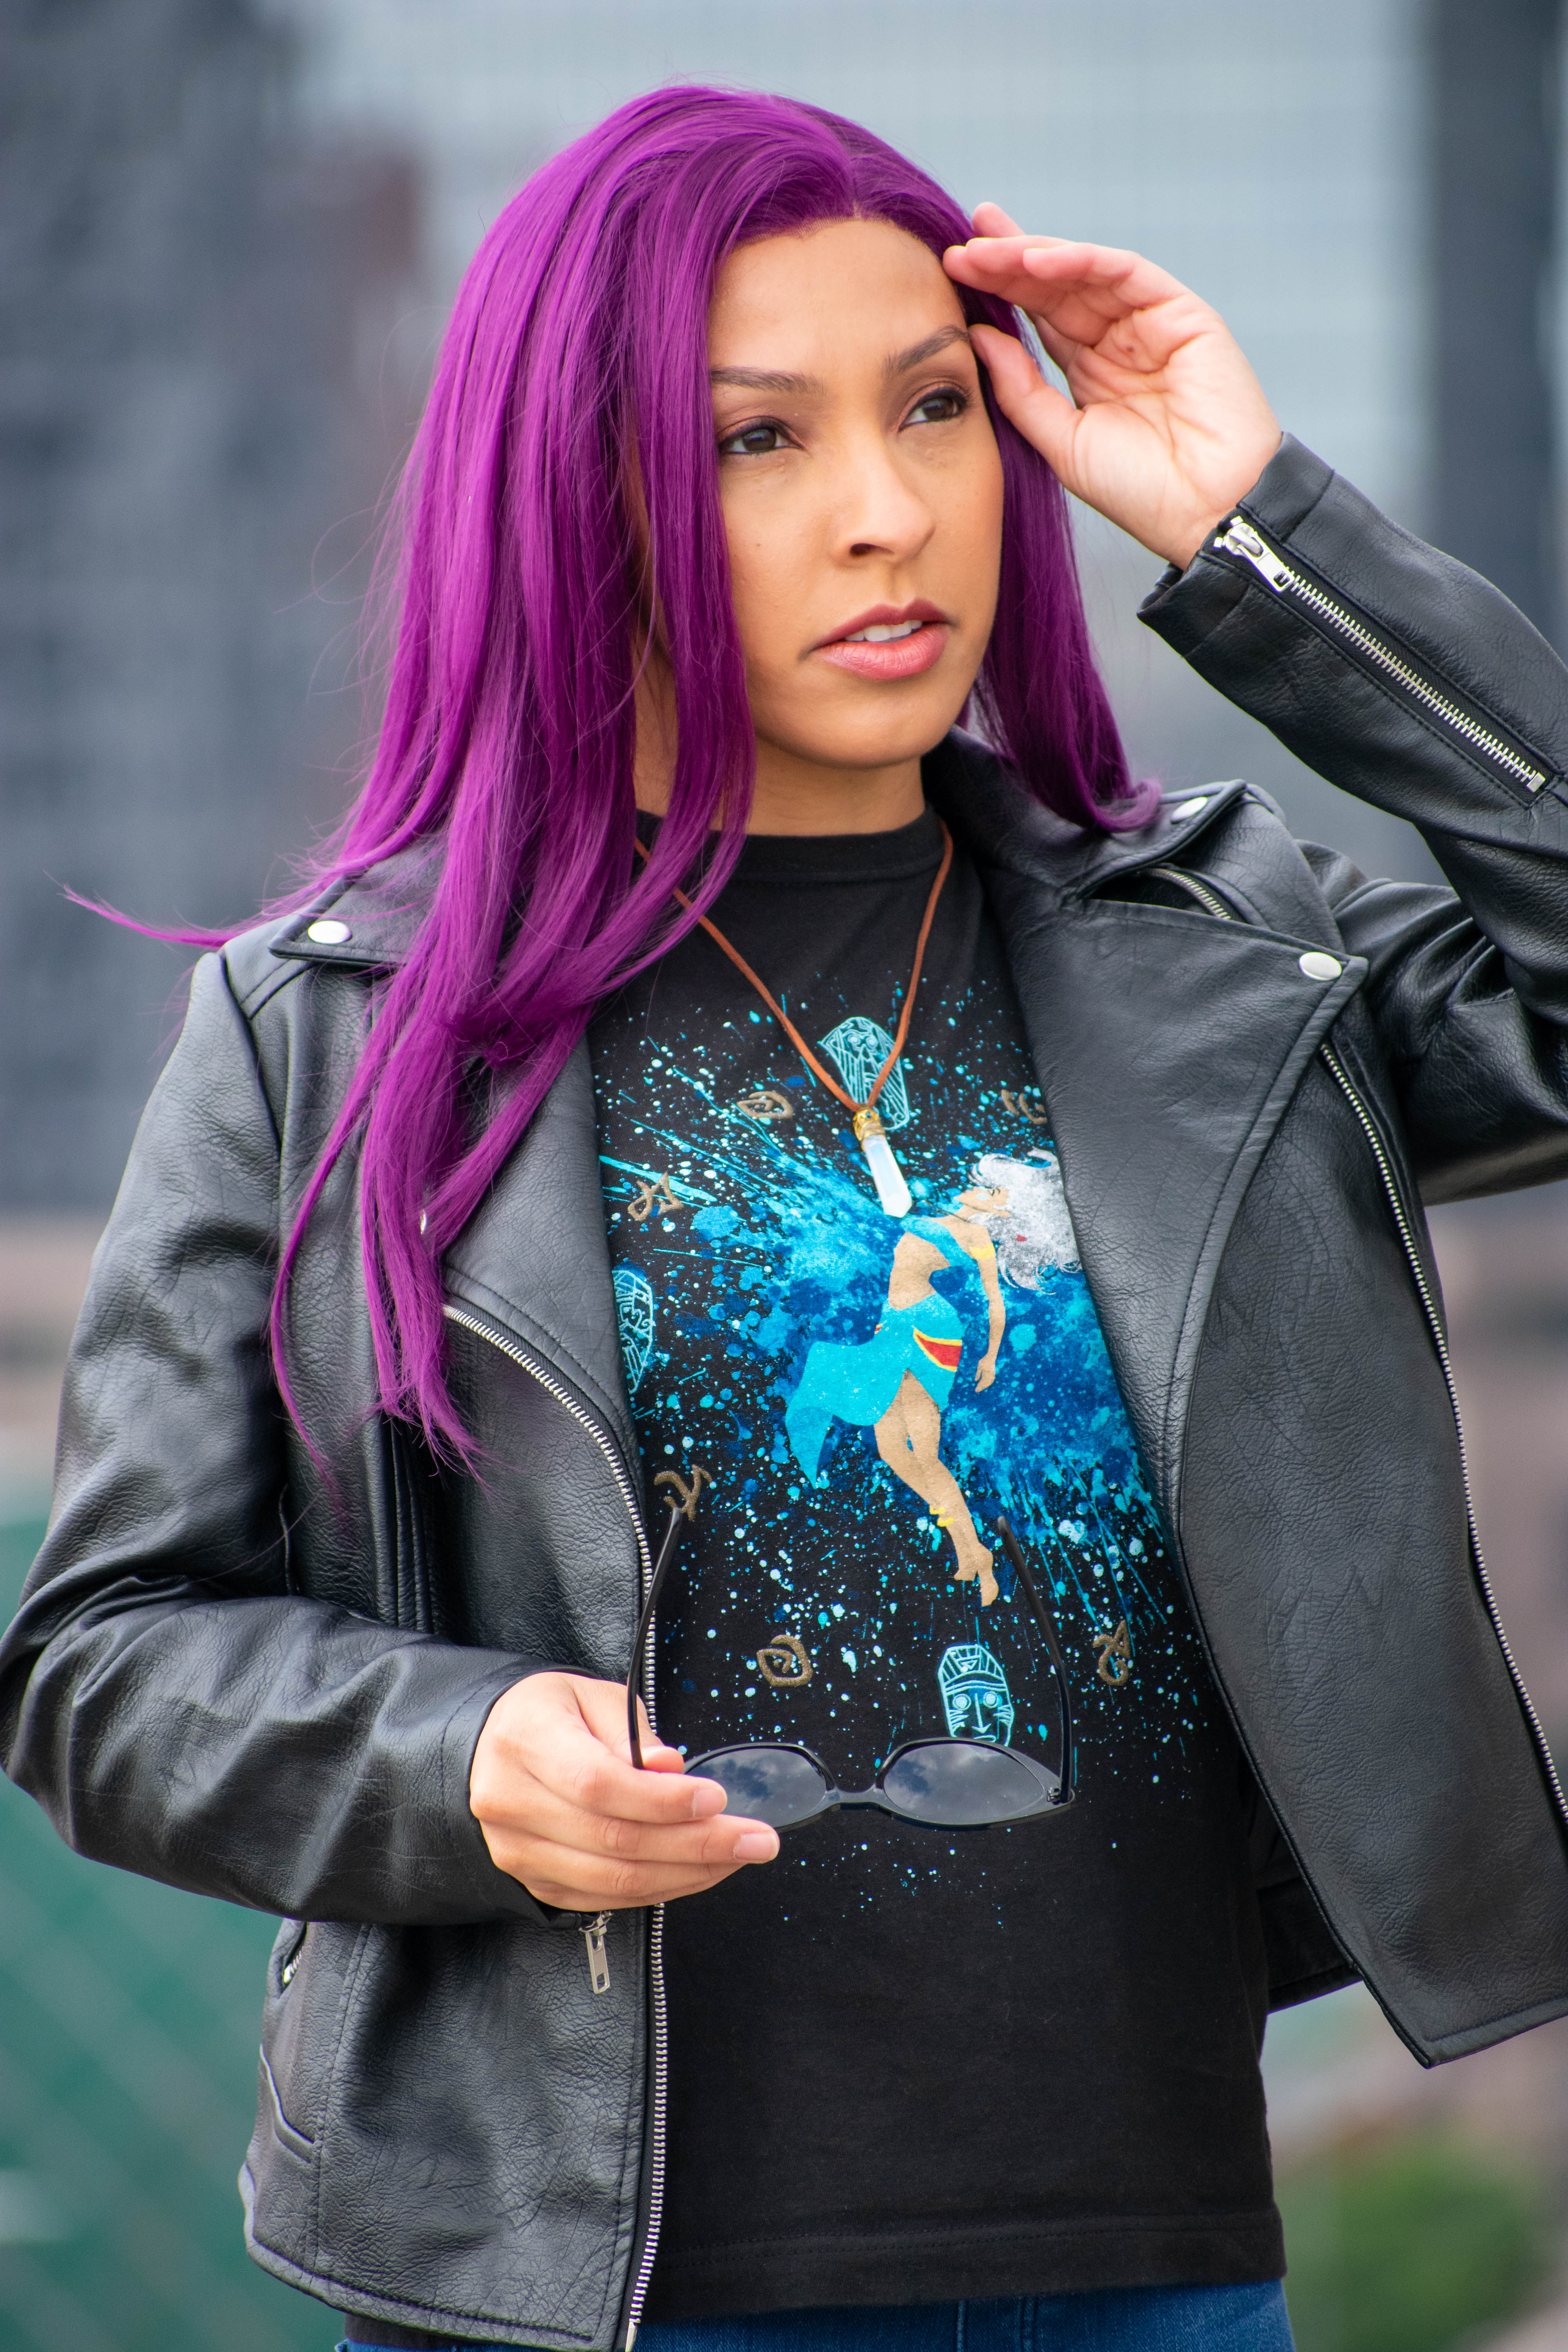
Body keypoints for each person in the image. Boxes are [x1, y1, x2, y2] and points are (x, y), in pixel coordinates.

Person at [4, 80, 1568, 2352]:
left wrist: (1262, 538)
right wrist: (460, 1764)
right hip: (589, 2292)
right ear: (585, 495)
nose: (885, 512)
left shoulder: (1223, 949)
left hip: (1151, 2267)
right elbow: (103, 1656)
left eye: (937, 410)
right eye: (758, 440)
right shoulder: (331, 1030)